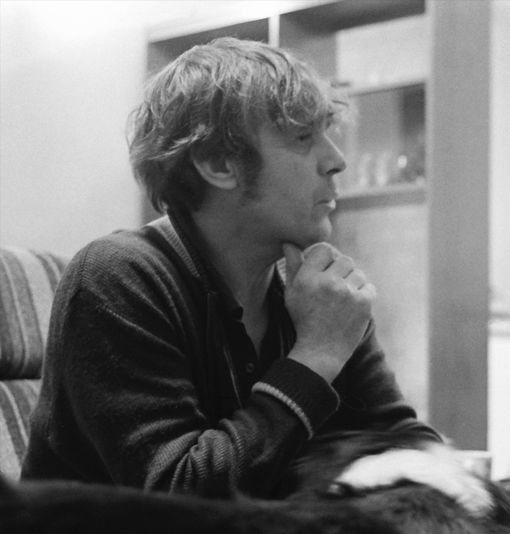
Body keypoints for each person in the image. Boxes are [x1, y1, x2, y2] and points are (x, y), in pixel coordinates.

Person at [20, 38, 481, 507]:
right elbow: (178, 497)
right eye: (302, 138)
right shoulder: (117, 278)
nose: (336, 160)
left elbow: (403, 443)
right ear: (219, 163)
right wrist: (316, 356)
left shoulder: (319, 296)